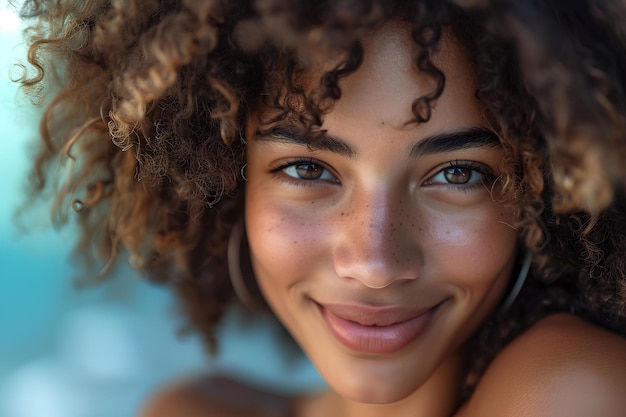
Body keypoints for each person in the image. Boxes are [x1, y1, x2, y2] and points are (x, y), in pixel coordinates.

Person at [16, 0, 626, 416]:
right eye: (309, 169)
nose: (374, 262)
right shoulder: (196, 406)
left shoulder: (571, 387)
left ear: (546, 190)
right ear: (228, 181)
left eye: (457, 173)